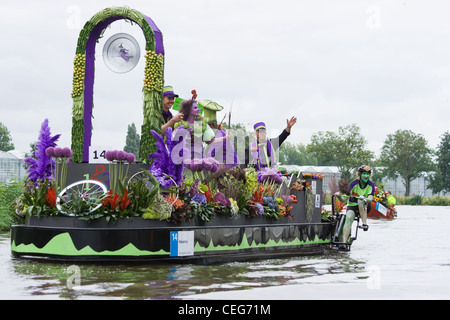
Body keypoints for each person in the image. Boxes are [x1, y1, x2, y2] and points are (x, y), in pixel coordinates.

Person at [340, 165, 374, 245]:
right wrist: (339, 197)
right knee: (348, 218)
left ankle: (364, 223)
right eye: (364, 174)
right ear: (359, 175)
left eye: (367, 174)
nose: (366, 176)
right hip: (352, 206)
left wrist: (364, 198)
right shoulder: (354, 184)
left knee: (360, 200)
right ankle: (344, 243)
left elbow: (370, 199)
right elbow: (344, 199)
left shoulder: (371, 185)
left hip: (365, 206)